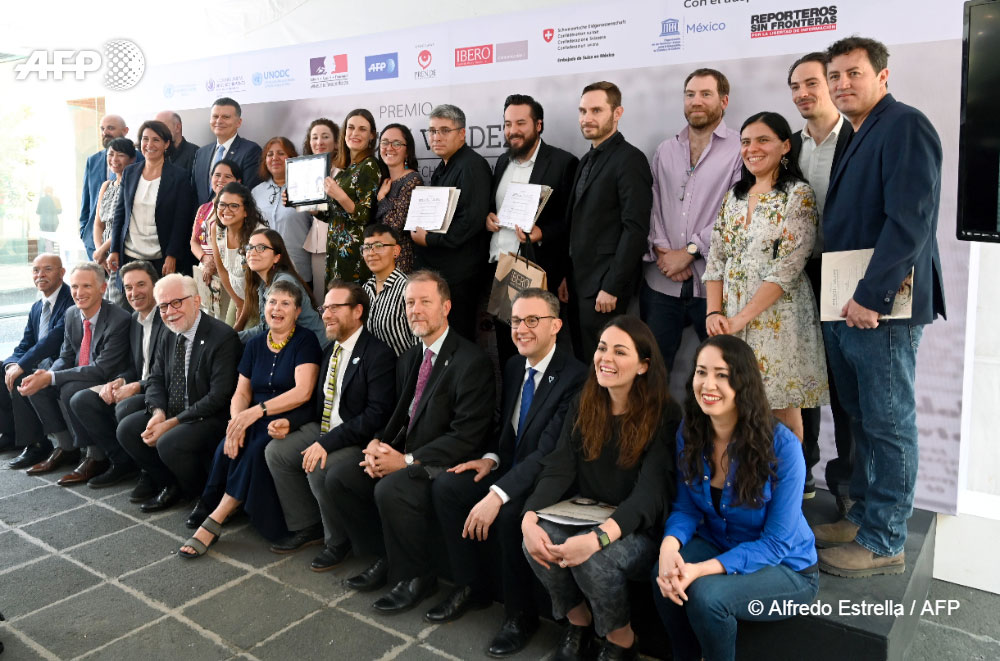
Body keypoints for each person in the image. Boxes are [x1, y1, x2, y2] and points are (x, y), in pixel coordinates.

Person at [813, 37, 945, 577]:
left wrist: (872, 296)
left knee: (888, 423)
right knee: (863, 417)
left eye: (854, 73)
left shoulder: (905, 125)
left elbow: (910, 221)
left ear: (883, 76)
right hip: (845, 303)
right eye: (835, 75)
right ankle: (864, 517)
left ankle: (886, 538)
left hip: (879, 308)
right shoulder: (856, 131)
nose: (842, 83)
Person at [325, 270, 495, 612]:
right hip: (408, 453)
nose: (415, 310)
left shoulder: (471, 361)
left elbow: (466, 437)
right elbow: (399, 415)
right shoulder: (410, 357)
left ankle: (418, 576)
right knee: (341, 477)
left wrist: (405, 461)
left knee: (391, 488)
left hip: (446, 461)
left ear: (446, 307)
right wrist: (377, 445)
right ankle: (386, 556)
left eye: (424, 302)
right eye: (409, 303)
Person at [429, 288, 587, 656]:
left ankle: (521, 616)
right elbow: (510, 430)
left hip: (548, 480)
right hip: (512, 467)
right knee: (448, 488)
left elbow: (549, 452)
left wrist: (497, 495)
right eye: (516, 321)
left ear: (556, 326)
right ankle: (472, 587)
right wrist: (490, 459)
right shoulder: (516, 365)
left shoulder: (575, 377)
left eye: (533, 320)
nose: (521, 329)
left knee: (508, 515)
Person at [521, 315, 680, 661]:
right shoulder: (586, 401)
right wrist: (529, 516)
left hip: (638, 529)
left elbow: (649, 496)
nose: (606, 358)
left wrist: (597, 539)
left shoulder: (665, 414)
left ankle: (622, 640)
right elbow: (560, 466)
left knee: (594, 559)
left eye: (620, 352)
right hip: (588, 513)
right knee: (537, 539)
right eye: (602, 348)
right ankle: (578, 623)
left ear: (643, 365)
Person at [653, 335, 819, 661]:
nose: (708, 384)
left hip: (786, 567)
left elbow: (776, 544)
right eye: (701, 372)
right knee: (663, 575)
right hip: (721, 542)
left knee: (707, 597)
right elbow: (685, 507)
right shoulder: (690, 429)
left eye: (722, 375)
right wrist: (668, 548)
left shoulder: (783, 447)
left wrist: (701, 569)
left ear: (743, 382)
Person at [703, 111, 828, 441]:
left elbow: (788, 267)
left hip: (779, 319)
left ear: (785, 146)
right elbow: (715, 260)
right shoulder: (734, 197)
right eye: (745, 142)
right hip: (730, 319)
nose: (752, 149)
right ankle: (745, 474)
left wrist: (741, 319)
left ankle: (788, 476)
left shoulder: (798, 195)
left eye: (762, 140)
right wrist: (714, 314)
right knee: (734, 407)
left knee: (781, 413)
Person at [181, 278, 322, 557]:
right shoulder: (255, 344)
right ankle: (213, 503)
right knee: (227, 446)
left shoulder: (305, 341)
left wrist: (255, 413)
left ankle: (216, 517)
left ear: (297, 312)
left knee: (256, 450)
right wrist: (237, 423)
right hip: (253, 415)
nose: (276, 309)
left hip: (288, 417)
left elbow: (303, 392)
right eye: (272, 302)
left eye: (285, 304)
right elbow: (241, 392)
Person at [264, 281, 396, 568]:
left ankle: (337, 541)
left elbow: (375, 415)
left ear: (358, 311)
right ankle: (307, 524)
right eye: (325, 308)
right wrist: (290, 422)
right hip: (325, 428)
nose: (326, 314)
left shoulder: (378, 354)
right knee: (277, 452)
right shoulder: (331, 350)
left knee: (318, 464)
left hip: (357, 438)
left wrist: (325, 443)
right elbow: (318, 405)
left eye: (335, 307)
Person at [786, 52, 856, 503]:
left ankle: (847, 485)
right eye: (795, 86)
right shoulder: (788, 146)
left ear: (831, 84)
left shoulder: (857, 139)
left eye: (812, 83)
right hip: (797, 274)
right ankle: (803, 471)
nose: (802, 93)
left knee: (846, 384)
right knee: (801, 376)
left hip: (846, 272)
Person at [642, 69, 742, 373]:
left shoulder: (741, 148)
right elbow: (652, 203)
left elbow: (736, 212)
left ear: (724, 101)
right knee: (651, 374)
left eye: (705, 94)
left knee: (723, 374)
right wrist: (663, 252)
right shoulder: (666, 149)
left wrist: (689, 253)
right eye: (690, 94)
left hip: (715, 288)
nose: (696, 101)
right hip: (661, 283)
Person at [116, 274, 241, 512]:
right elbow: (155, 378)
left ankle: (204, 494)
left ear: (196, 301)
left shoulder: (222, 337)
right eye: (163, 306)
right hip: (174, 408)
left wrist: (172, 423)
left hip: (209, 415)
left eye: (176, 303)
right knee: (127, 429)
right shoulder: (168, 332)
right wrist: (158, 413)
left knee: (169, 441)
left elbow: (219, 396)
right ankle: (169, 484)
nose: (170, 312)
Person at [485, 94, 579, 367]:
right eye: (507, 124)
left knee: (538, 354)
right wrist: (488, 218)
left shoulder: (563, 163)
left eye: (520, 123)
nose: (512, 130)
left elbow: (573, 221)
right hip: (500, 269)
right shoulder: (502, 162)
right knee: (507, 354)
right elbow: (495, 207)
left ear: (538, 125)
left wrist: (542, 233)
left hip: (536, 269)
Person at [15, 264, 131, 483]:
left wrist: (51, 377)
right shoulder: (71, 314)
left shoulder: (119, 319)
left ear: (103, 288)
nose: (79, 292)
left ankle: (96, 456)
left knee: (69, 389)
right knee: (36, 385)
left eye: (86, 286)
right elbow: (66, 356)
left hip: (108, 379)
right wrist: (46, 375)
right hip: (80, 373)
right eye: (75, 286)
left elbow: (101, 369)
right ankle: (66, 447)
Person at [566, 82, 653, 361]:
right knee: (584, 361)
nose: (587, 118)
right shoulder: (586, 160)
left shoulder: (630, 159)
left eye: (596, 110)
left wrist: (612, 286)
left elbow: (635, 229)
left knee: (604, 364)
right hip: (580, 283)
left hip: (605, 287)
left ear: (617, 113)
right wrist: (567, 276)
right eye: (582, 111)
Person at [68, 261, 168, 489]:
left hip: (159, 390)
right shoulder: (134, 320)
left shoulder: (167, 319)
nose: (134, 293)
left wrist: (137, 386)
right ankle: (121, 462)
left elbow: (166, 373)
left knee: (125, 407)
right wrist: (120, 380)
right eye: (128, 287)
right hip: (136, 383)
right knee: (81, 399)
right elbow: (134, 366)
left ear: (155, 286)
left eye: (141, 285)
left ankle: (149, 471)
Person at [413, 105, 492, 341]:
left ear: (462, 134)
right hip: (445, 272)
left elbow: (470, 222)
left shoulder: (471, 165)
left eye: (444, 130)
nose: (436, 137)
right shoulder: (444, 165)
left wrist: (429, 239)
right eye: (432, 131)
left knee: (458, 340)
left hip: (461, 276)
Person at [2, 254, 73, 463]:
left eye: (47, 269)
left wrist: (21, 366)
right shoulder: (37, 307)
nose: (40, 275)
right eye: (36, 270)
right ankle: (10, 434)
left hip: (60, 364)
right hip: (40, 362)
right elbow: (26, 343)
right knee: (3, 369)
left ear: (62, 273)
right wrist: (12, 363)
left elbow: (53, 340)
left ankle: (37, 444)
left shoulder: (71, 300)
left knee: (21, 377)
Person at [109, 120, 196, 277]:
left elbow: (181, 221)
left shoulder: (179, 176)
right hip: (129, 254)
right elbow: (119, 214)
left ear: (166, 144)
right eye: (145, 139)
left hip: (161, 257)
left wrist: (172, 254)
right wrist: (114, 249)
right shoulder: (129, 172)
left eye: (156, 140)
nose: (149, 144)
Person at [238, 229, 328, 349]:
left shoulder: (284, 282)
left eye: (261, 248)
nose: (252, 252)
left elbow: (273, 330)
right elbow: (265, 327)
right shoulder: (264, 283)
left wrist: (230, 339)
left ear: (277, 257)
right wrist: (231, 337)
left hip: (316, 350)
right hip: (295, 346)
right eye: (250, 247)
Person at [323, 109, 381, 285]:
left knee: (349, 299)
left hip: (354, 253)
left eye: (362, 129)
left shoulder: (369, 165)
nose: (355, 133)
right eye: (351, 127)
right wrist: (309, 207)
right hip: (335, 249)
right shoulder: (345, 169)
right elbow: (333, 214)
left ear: (372, 136)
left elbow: (364, 216)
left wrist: (340, 195)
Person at [252, 137, 312, 287]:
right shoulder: (256, 192)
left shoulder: (306, 189)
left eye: (281, 153)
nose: (275, 158)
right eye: (270, 154)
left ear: (292, 158)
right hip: (265, 270)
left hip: (299, 268)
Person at [189, 159, 243, 319]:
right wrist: (205, 259)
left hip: (226, 269)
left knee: (224, 317)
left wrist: (214, 263)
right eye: (217, 175)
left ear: (238, 181)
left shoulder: (237, 209)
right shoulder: (203, 208)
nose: (221, 180)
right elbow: (194, 241)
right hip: (204, 268)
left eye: (228, 176)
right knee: (204, 315)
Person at [211, 182, 267, 325]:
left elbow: (255, 286)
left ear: (246, 211)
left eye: (234, 206)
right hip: (239, 296)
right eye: (222, 205)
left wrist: (240, 321)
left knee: (237, 334)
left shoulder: (258, 236)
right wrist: (238, 303)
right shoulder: (217, 230)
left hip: (262, 299)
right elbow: (222, 270)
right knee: (227, 333)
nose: (226, 210)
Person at [92, 137, 137, 308]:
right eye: (111, 154)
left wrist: (104, 250)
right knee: (105, 304)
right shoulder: (106, 185)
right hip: (103, 255)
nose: (114, 159)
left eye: (121, 155)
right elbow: (98, 224)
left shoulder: (133, 185)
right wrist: (99, 251)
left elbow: (126, 224)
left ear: (132, 159)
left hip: (121, 251)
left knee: (119, 304)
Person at [191, 97, 262, 204]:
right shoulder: (201, 153)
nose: (219, 121)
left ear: (239, 122)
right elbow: (194, 194)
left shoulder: (251, 151)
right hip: (203, 214)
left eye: (226, 117)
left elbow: (249, 194)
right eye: (215, 116)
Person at [300, 118, 341, 304]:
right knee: (320, 299)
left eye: (325, 137)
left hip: (337, 244)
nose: (319, 142)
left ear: (336, 143)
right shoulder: (304, 174)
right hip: (316, 244)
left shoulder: (343, 174)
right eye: (314, 137)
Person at [361, 224, 416, 356]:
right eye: (367, 247)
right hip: (371, 367)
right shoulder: (364, 290)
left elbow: (420, 342)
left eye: (378, 246)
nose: (371, 253)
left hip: (402, 366)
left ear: (396, 251)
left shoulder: (408, 289)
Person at [79, 115, 130, 258]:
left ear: (125, 131)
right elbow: (87, 200)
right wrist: (83, 230)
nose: (105, 132)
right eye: (102, 128)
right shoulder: (93, 160)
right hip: (93, 242)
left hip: (124, 245)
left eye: (111, 128)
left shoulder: (139, 159)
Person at [374, 123, 421, 273]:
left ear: (407, 151)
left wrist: (381, 199)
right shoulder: (383, 181)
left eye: (396, 143)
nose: (389, 148)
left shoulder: (412, 180)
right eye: (385, 142)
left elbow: (394, 227)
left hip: (401, 261)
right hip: (380, 259)